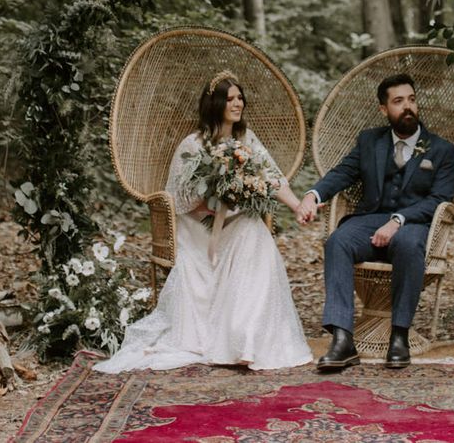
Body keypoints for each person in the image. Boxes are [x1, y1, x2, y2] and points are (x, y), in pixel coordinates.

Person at [94, 70, 312, 373]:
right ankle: (232, 338)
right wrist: (217, 191)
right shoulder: (192, 145)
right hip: (199, 228)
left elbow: (272, 178)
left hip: (235, 222)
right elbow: (179, 200)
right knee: (248, 229)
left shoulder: (246, 139)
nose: (238, 104)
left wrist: (298, 205)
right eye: (230, 99)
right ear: (215, 104)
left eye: (240, 98)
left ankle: (246, 339)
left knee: (255, 231)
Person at [296, 73, 454, 370]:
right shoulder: (370, 141)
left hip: (413, 225)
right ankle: (343, 339)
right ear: (384, 109)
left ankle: (399, 335)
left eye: (411, 99)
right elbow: (343, 173)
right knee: (339, 240)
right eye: (398, 101)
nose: (407, 106)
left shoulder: (442, 150)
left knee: (409, 246)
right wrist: (312, 195)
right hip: (370, 220)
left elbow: (439, 199)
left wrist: (398, 220)